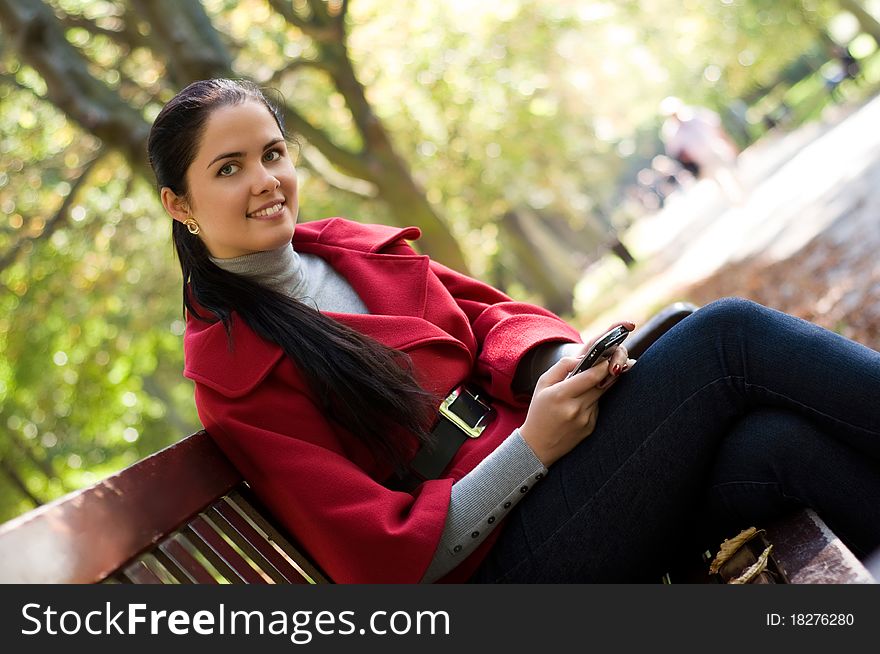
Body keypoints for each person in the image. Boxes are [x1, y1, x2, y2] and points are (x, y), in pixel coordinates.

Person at [148, 78, 880, 583]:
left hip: (565, 480)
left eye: (273, 154)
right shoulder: (232, 372)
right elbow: (383, 562)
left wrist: (559, 366)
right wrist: (532, 448)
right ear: (180, 204)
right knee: (726, 339)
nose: (265, 179)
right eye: (230, 168)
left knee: (778, 449)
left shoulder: (342, 245)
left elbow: (490, 318)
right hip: (499, 569)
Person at [659, 96, 744, 203]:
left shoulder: (694, 114)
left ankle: (741, 193)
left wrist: (728, 142)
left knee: (732, 170)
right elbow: (676, 153)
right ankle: (731, 201)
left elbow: (715, 125)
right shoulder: (671, 132)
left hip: (715, 148)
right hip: (701, 161)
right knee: (716, 181)